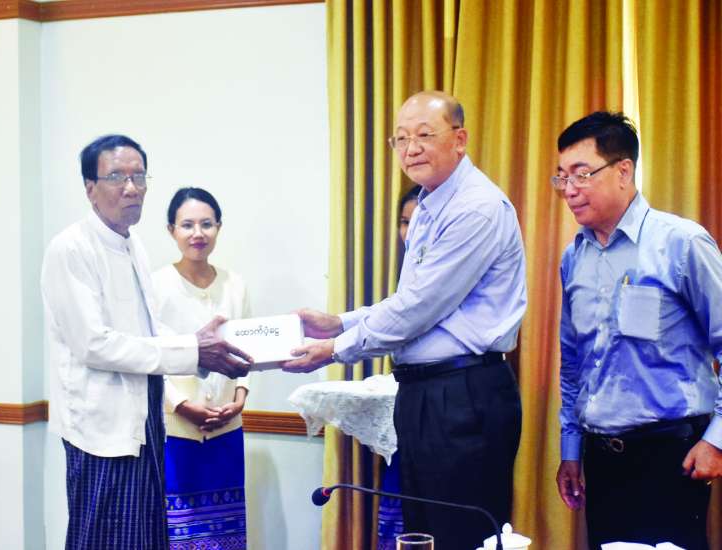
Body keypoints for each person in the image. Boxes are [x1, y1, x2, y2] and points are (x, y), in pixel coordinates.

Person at [284, 90, 527, 550]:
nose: (410, 148)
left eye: (423, 135)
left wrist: (334, 349)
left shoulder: (475, 207)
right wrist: (338, 323)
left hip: (462, 395)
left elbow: (419, 308)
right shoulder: (429, 206)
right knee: (423, 535)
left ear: (460, 139)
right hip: (426, 393)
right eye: (400, 138)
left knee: (459, 537)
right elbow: (409, 301)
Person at [41, 135, 250, 550]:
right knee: (101, 541)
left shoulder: (132, 244)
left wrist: (201, 346)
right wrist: (194, 350)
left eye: (139, 176)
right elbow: (94, 345)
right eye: (117, 177)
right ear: (90, 187)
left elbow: (148, 330)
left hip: (145, 422)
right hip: (101, 430)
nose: (131, 188)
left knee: (146, 540)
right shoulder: (71, 248)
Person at [553, 112, 722, 549]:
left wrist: (717, 440)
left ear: (623, 171)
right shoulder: (575, 258)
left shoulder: (681, 243)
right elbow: (573, 363)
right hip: (602, 459)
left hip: (671, 456)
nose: (569, 189)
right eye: (562, 177)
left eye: (581, 174)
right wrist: (571, 450)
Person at [152, 187, 250, 549]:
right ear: (171, 230)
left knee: (226, 536)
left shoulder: (235, 285)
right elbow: (150, 358)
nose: (198, 233)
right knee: (178, 534)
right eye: (187, 225)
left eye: (206, 224)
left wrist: (239, 399)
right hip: (176, 431)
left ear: (218, 227)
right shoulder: (155, 285)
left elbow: (250, 351)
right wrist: (181, 406)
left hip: (227, 428)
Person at [377, 184, 420, 550]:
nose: (409, 231)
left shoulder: (448, 266)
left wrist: (334, 345)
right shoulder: (408, 270)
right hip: (412, 402)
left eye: (418, 221)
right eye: (404, 222)